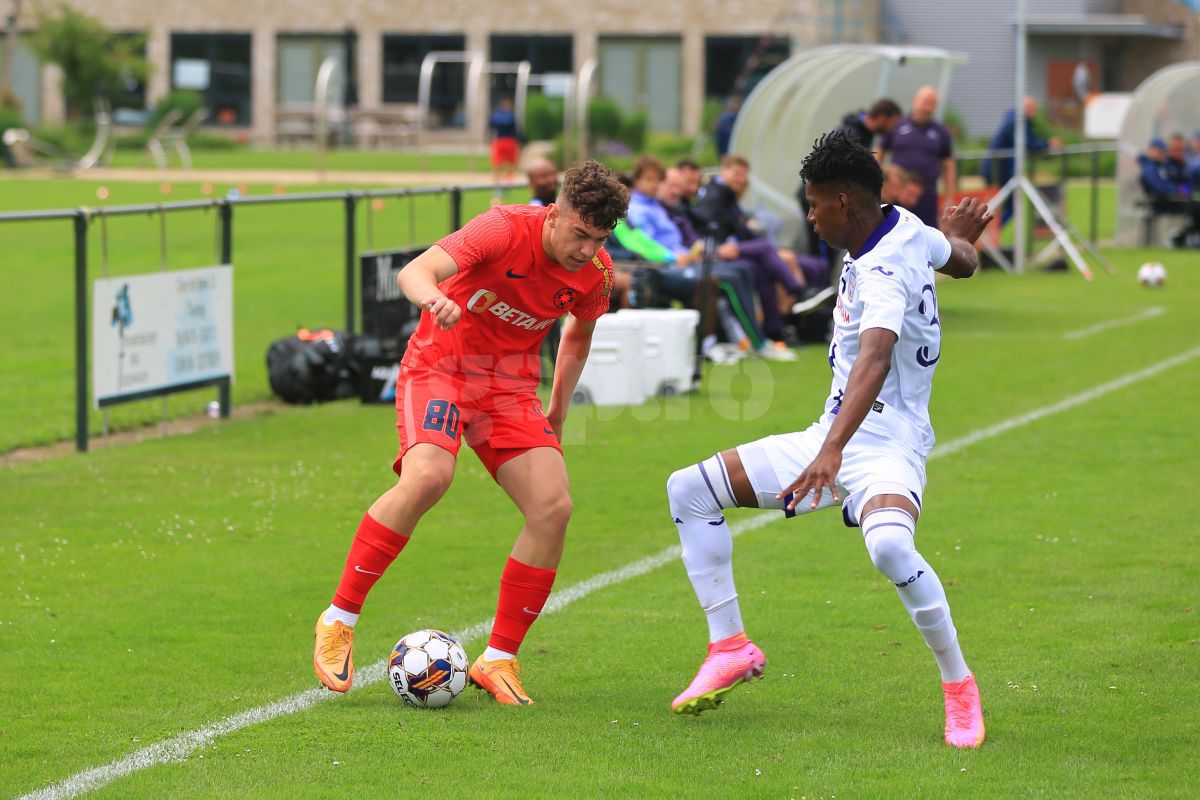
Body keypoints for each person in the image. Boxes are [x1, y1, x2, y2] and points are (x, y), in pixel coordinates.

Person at [665, 131, 993, 750]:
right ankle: (730, 646)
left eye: (814, 204)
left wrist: (832, 453)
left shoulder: (885, 269)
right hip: (832, 433)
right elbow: (962, 262)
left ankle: (959, 687)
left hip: (887, 443)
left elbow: (874, 358)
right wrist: (960, 240)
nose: (809, 216)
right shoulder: (904, 226)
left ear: (843, 201)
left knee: (892, 548)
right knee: (689, 490)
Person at [313, 161, 630, 705]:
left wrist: (557, 410)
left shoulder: (596, 272)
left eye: (599, 238)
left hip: (507, 390)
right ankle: (338, 620)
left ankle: (499, 659)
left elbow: (576, 338)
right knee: (429, 477)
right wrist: (431, 298)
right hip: (440, 370)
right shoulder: (503, 228)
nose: (586, 249)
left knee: (553, 507)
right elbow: (415, 270)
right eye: (579, 233)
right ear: (555, 212)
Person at [693, 154, 817, 344]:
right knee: (766, 248)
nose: (741, 180)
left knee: (763, 271)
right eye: (736, 174)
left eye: (744, 176)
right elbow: (707, 229)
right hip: (716, 253)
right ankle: (798, 292)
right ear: (724, 171)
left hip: (729, 250)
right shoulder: (714, 196)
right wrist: (720, 247)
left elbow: (738, 227)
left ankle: (775, 329)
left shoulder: (727, 195)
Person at [879, 86, 956, 228]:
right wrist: (877, 182)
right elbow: (880, 152)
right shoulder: (897, 125)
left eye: (932, 104)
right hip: (898, 193)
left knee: (925, 230)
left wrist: (950, 195)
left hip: (927, 195)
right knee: (893, 229)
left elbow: (948, 164)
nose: (927, 108)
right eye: (925, 102)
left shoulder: (941, 132)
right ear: (915, 101)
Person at [979, 96, 1062, 224]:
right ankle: (987, 233)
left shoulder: (1015, 119)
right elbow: (1026, 143)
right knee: (1003, 207)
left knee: (1003, 207)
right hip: (997, 171)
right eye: (1032, 110)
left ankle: (989, 234)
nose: (1034, 114)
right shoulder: (1016, 121)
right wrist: (1048, 144)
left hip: (998, 170)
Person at [1138, 135, 1199, 248]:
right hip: (1161, 203)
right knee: (1197, 208)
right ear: (1151, 150)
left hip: (1174, 200)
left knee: (1196, 206)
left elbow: (1185, 185)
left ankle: (1184, 238)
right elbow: (1162, 189)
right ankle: (1184, 238)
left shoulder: (1170, 165)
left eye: (1163, 151)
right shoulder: (1150, 169)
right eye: (1159, 151)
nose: (1162, 154)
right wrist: (1179, 189)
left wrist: (1182, 189)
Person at [489, 96, 521, 183]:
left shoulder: (497, 115)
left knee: (509, 162)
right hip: (503, 141)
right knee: (499, 162)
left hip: (506, 141)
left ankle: (507, 179)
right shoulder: (510, 116)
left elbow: (491, 125)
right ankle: (500, 179)